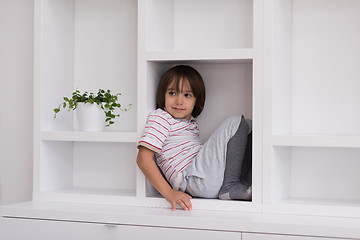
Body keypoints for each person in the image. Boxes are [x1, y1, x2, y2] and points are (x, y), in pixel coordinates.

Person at [136, 65, 252, 211]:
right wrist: (169, 193)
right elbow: (143, 159)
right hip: (192, 179)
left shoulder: (189, 124)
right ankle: (231, 187)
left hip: (205, 180)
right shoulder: (161, 117)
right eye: (172, 93)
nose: (179, 101)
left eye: (187, 95)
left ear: (196, 100)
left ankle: (239, 184)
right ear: (162, 95)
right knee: (236, 121)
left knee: (250, 127)